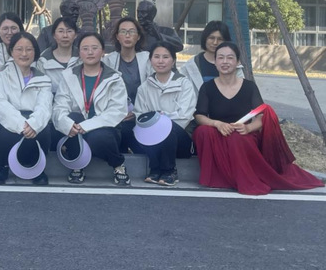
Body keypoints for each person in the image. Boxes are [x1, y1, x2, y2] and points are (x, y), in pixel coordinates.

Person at [193, 42, 324, 195]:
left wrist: (248, 127)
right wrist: (217, 124)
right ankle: (216, 179)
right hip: (219, 133)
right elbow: (199, 115)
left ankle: (244, 179)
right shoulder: (207, 87)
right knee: (202, 131)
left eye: (230, 58)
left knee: (237, 138)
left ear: (238, 62)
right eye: (220, 58)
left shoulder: (249, 87)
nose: (225, 62)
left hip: (242, 134)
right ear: (215, 62)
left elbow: (261, 115)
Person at [53, 32, 130, 185]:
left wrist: (87, 126)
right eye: (85, 48)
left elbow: (117, 111)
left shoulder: (114, 78)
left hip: (105, 128)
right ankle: (77, 164)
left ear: (102, 52)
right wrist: (67, 124)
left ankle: (118, 164)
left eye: (94, 48)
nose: (90, 52)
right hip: (76, 126)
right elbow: (60, 105)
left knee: (98, 137)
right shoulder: (69, 76)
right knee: (71, 119)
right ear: (79, 52)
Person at [0, 32, 53, 185]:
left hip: (33, 121)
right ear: (11, 51)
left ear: (35, 52)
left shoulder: (43, 79)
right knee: (6, 132)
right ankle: (3, 166)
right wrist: (21, 124)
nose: (24, 54)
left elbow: (44, 106)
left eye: (29, 49)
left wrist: (33, 124)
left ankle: (37, 167)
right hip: (10, 120)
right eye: (19, 49)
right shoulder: (2, 76)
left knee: (43, 130)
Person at [134, 42, 196, 186]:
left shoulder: (184, 84)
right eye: (156, 57)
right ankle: (155, 169)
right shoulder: (144, 87)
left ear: (173, 61)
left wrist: (159, 119)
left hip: (180, 141)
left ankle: (169, 171)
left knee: (167, 128)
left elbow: (185, 116)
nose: (160, 61)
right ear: (150, 60)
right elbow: (140, 115)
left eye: (165, 57)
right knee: (148, 129)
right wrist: (158, 120)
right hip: (153, 139)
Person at [102, 17, 153, 154]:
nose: (127, 35)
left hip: (142, 113)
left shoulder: (147, 59)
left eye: (131, 31)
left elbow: (153, 90)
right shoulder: (108, 61)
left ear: (138, 36)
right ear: (117, 36)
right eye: (123, 32)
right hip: (116, 115)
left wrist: (136, 112)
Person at [180, 20, 243, 93]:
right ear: (205, 38)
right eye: (211, 38)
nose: (215, 42)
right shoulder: (190, 66)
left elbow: (242, 90)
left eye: (220, 39)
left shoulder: (234, 66)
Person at [36, 17, 80, 95]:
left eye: (69, 31)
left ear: (75, 35)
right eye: (60, 31)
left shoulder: (82, 58)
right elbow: (41, 90)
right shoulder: (43, 61)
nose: (65, 35)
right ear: (54, 35)